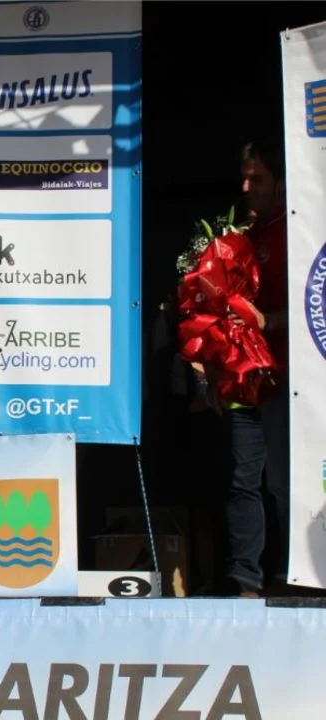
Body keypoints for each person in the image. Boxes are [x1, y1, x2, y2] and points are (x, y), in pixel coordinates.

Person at [203, 139, 290, 598]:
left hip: (287, 379)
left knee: (283, 481)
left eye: (257, 178)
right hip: (241, 379)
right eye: (244, 176)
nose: (246, 186)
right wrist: (215, 368)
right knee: (241, 479)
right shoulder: (239, 240)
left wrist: (269, 322)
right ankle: (244, 580)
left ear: (282, 184)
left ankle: (294, 574)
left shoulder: (299, 234)